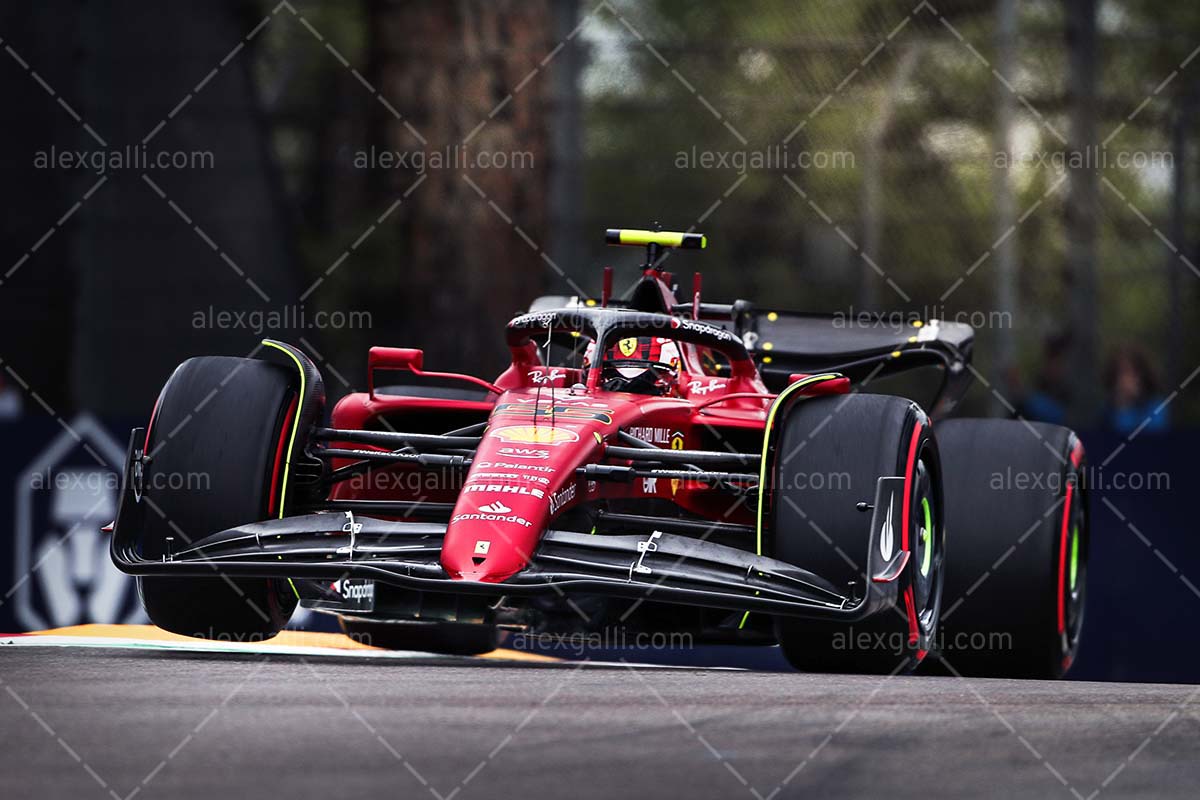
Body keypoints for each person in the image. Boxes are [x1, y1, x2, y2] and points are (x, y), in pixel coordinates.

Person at [1103, 345, 1169, 435]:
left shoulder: (1156, 406)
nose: (1123, 380)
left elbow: (1154, 435)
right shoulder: (1108, 411)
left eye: (1127, 373)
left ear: (1140, 375)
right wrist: (1122, 407)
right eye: (1119, 374)